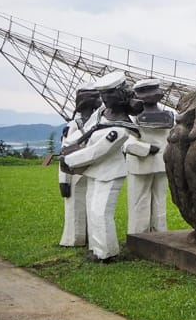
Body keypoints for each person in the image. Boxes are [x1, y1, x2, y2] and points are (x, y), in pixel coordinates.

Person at [60, 71, 138, 262]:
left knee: (100, 212)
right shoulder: (101, 113)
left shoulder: (122, 128)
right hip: (95, 172)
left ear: (120, 95)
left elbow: (97, 151)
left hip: (110, 173)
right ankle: (95, 248)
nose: (104, 98)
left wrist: (69, 160)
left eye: (109, 94)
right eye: (103, 94)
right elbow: (85, 134)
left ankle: (106, 253)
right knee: (92, 209)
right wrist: (68, 145)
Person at [123, 78, 175, 234]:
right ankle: (159, 232)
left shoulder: (132, 119)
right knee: (159, 201)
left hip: (140, 164)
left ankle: (139, 234)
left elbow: (127, 143)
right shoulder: (169, 116)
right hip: (161, 163)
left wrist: (145, 149)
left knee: (139, 200)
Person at [58, 81, 103, 247]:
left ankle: (91, 237)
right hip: (73, 173)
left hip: (90, 170)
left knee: (92, 207)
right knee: (74, 207)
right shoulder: (73, 125)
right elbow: (64, 153)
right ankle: (74, 238)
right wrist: (63, 181)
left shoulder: (96, 122)